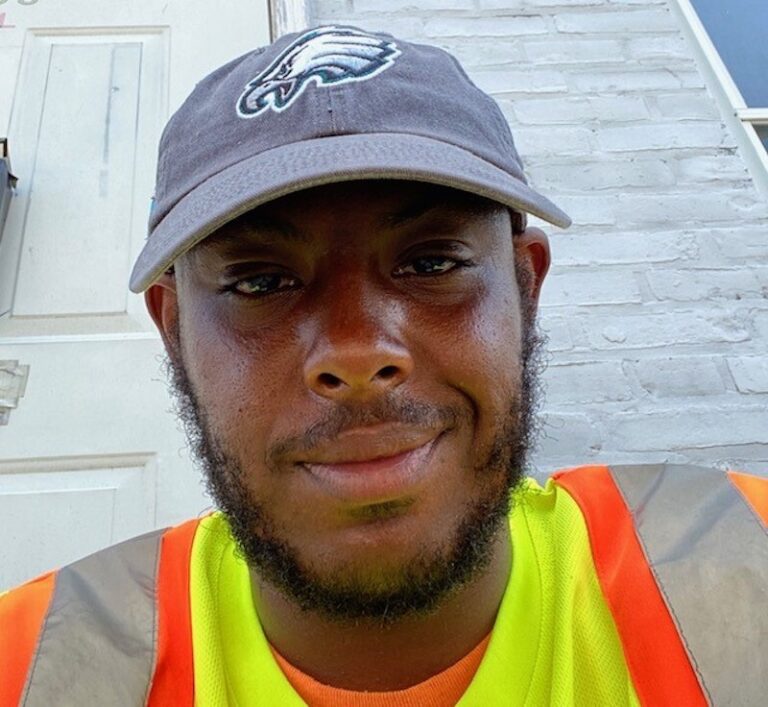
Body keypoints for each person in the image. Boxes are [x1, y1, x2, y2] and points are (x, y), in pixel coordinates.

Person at [1, 25, 766, 707]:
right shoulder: (29, 661)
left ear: (526, 288)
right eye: (261, 282)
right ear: (175, 334)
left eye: (432, 262)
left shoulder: (745, 559)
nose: (358, 352)